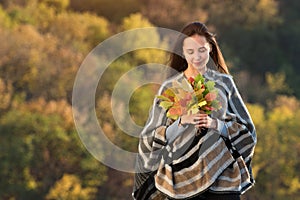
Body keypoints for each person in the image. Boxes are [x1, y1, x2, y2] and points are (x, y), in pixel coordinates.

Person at [133, 22, 257, 200]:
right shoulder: (170, 87)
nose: (197, 57)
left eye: (202, 50)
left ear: (211, 50)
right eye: (190, 52)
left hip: (223, 177)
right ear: (182, 52)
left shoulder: (224, 83)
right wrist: (182, 122)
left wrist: (216, 124)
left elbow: (248, 130)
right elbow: (149, 138)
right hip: (180, 181)